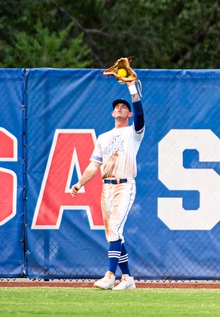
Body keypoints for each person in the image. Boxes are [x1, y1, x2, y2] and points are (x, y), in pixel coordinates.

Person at [71, 79, 144, 290]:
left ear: (128, 114)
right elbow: (94, 166)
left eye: (124, 107)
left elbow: (140, 114)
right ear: (112, 114)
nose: (119, 109)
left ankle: (110, 275)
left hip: (124, 185)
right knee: (114, 234)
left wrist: (131, 87)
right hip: (107, 188)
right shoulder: (103, 137)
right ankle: (128, 278)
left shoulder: (133, 132)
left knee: (114, 229)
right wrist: (79, 183)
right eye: (116, 107)